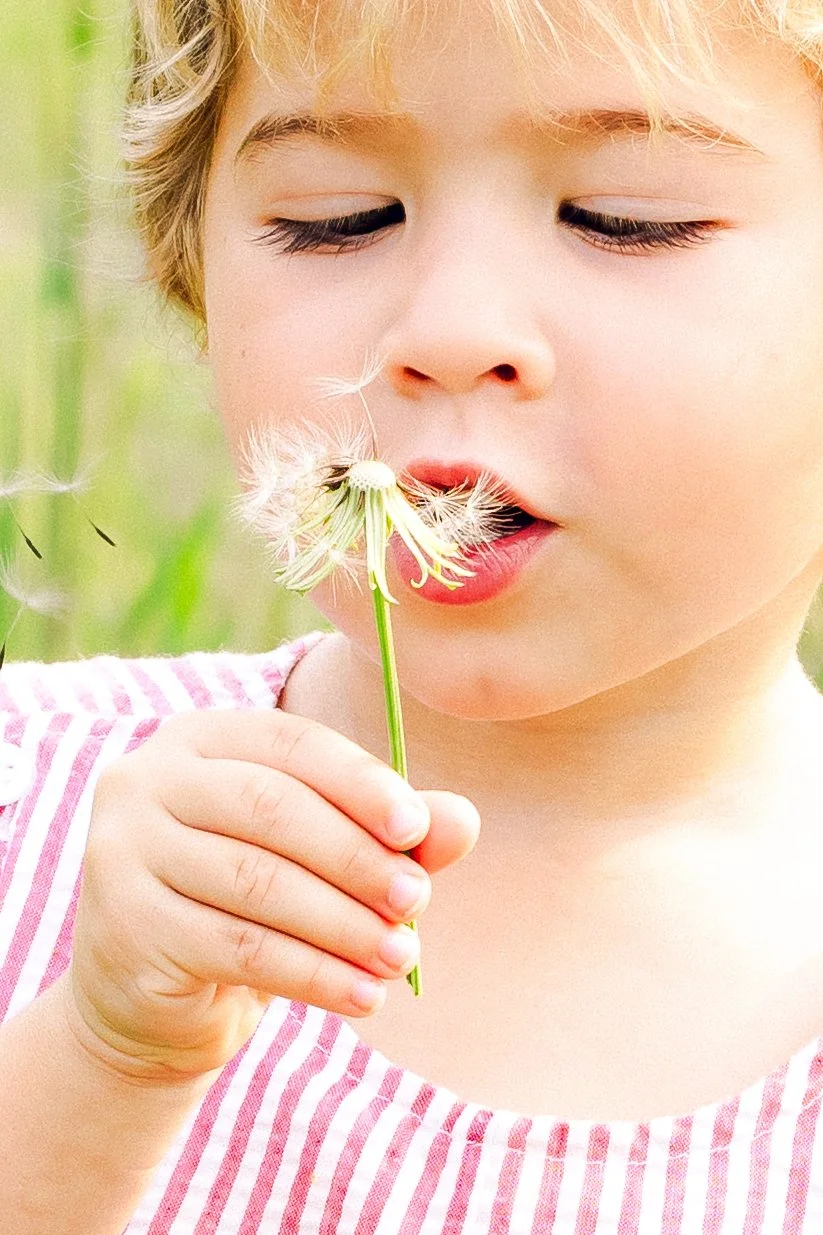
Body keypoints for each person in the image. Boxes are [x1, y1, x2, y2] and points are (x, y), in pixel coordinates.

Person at [4, 0, 823, 1229]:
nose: (447, 332)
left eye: (625, 218)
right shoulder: (31, 805)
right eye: (336, 217)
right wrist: (105, 1057)